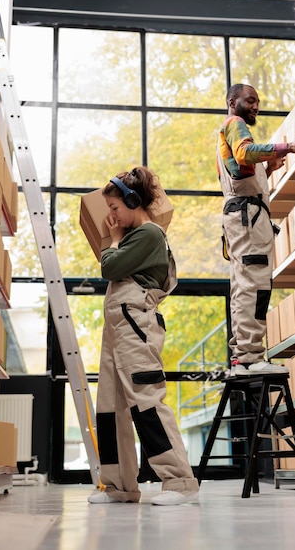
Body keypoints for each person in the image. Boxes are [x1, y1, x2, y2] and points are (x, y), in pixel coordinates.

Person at [88, 166, 199, 506]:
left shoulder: (148, 234)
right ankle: (120, 486)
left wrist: (116, 242)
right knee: (110, 406)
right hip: (118, 324)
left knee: (146, 401)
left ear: (133, 200)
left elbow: (109, 267)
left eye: (114, 207)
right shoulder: (135, 236)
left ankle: (179, 482)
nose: (111, 214)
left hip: (134, 321)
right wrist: (117, 243)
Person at [217, 83, 295, 376]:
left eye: (257, 101)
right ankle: (249, 356)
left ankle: (242, 355)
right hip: (248, 217)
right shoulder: (235, 125)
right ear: (233, 102)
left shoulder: (229, 131)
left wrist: (268, 169)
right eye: (250, 100)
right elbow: (245, 153)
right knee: (254, 284)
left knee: (244, 285)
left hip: (241, 216)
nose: (256, 106)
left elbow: (240, 170)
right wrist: (289, 146)